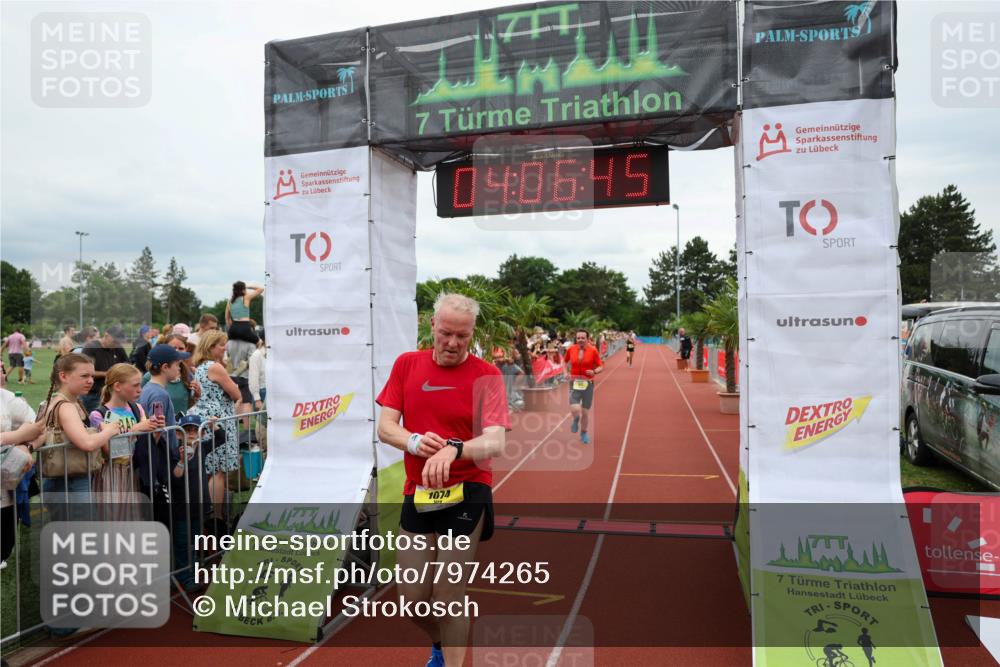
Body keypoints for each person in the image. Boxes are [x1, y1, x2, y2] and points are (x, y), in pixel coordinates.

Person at [376, 293, 510, 667]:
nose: (452, 343)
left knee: (448, 596)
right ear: (432, 326)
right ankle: (440, 645)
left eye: (462, 336)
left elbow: (496, 439)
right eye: (446, 333)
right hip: (419, 491)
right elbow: (387, 428)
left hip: (468, 489)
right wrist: (415, 441)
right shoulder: (407, 365)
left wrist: (456, 449)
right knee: (412, 600)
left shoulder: (487, 375)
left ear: (472, 334)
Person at [188, 331, 241, 518]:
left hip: (205, 416)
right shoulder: (215, 367)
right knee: (218, 472)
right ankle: (215, 516)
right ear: (211, 347)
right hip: (218, 419)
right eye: (221, 344)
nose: (224, 347)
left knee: (210, 469)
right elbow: (236, 394)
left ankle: (208, 515)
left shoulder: (200, 366)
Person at [94, 363, 159, 516]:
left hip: (134, 472)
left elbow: (147, 445)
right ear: (117, 386)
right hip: (111, 474)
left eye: (140, 385)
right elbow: (110, 452)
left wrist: (156, 429)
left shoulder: (138, 409)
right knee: (111, 519)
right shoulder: (99, 415)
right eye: (135, 385)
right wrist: (135, 429)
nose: (140, 390)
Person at [137, 344, 187, 533]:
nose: (179, 368)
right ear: (165, 367)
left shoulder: (149, 388)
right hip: (161, 461)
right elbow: (155, 431)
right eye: (177, 364)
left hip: (158, 458)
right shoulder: (159, 394)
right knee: (164, 515)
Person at [1, 364, 45, 566]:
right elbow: (27, 431)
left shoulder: (7, 398)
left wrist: (27, 445)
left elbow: (39, 427)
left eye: (2, 368)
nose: (2, 373)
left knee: (5, 543)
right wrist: (18, 436)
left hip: (4, 488)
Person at [173, 413, 215, 592]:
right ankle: (185, 575)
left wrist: (214, 425)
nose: (191, 434)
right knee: (183, 541)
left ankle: (196, 566)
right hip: (183, 506)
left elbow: (221, 438)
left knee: (196, 538)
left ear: (202, 433)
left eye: (195, 430)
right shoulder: (175, 451)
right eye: (187, 430)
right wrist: (182, 461)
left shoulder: (202, 447)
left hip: (200, 503)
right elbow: (175, 477)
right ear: (178, 434)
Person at [141, 334, 201, 416]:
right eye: (173, 348)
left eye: (181, 348)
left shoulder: (188, 376)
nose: (177, 351)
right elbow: (157, 421)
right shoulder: (159, 392)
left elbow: (185, 405)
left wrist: (195, 396)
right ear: (165, 367)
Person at [564, 329, 603, 445]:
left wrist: (594, 371)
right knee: (575, 409)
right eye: (578, 338)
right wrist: (565, 372)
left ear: (587, 339)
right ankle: (576, 419)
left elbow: (601, 365)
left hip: (587, 384)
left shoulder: (593, 350)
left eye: (583, 338)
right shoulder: (571, 349)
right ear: (576, 338)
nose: (580, 340)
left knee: (585, 413)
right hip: (574, 383)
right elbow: (564, 361)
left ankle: (584, 432)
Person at [81, 326, 129, 413]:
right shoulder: (91, 348)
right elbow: (85, 372)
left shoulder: (118, 348)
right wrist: (108, 374)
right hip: (93, 394)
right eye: (114, 341)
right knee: (94, 422)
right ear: (106, 335)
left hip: (112, 394)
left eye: (118, 342)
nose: (116, 344)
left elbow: (127, 364)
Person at [248, 329, 266, 412]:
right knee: (262, 423)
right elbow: (253, 378)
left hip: (274, 392)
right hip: (263, 392)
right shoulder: (256, 355)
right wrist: (257, 399)